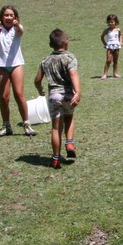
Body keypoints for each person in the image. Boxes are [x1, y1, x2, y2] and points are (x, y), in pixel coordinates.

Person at [34, 29, 81, 169]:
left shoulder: (45, 61)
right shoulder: (69, 58)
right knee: (69, 118)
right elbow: (73, 74)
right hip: (67, 95)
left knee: (55, 128)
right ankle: (69, 143)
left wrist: (40, 90)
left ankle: (55, 158)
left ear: (50, 44)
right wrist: (78, 92)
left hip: (54, 96)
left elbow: (37, 80)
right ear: (66, 43)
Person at [0, 5, 35, 138]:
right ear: (1, 17)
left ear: (15, 17)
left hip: (16, 64)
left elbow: (21, 31)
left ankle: (27, 124)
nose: (9, 17)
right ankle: (6, 126)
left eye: (11, 15)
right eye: (6, 15)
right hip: (2, 66)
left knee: (19, 94)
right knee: (4, 97)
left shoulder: (17, 29)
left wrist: (17, 25)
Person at [100, 14, 123, 79]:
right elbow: (102, 36)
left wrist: (120, 41)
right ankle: (105, 74)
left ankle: (115, 73)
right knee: (108, 60)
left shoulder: (118, 30)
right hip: (110, 46)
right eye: (109, 22)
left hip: (116, 46)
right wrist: (105, 43)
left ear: (115, 22)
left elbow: (120, 35)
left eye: (112, 22)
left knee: (115, 60)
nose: (111, 23)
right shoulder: (107, 30)